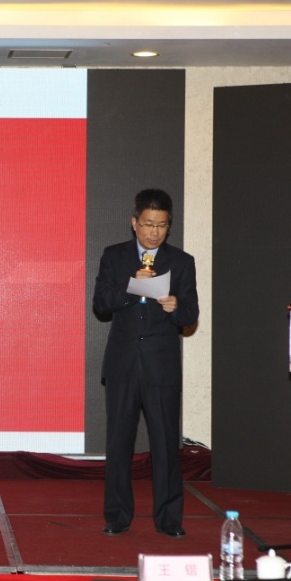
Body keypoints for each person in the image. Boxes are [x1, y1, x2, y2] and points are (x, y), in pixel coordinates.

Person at [92, 188, 199, 538]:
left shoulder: (181, 262)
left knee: (165, 444)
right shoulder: (114, 257)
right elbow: (101, 304)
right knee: (118, 443)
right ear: (135, 222)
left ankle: (169, 519)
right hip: (122, 364)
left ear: (169, 225)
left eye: (162, 225)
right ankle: (117, 516)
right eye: (148, 224)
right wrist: (133, 287)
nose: (154, 232)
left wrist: (175, 308)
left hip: (161, 366)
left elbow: (190, 314)